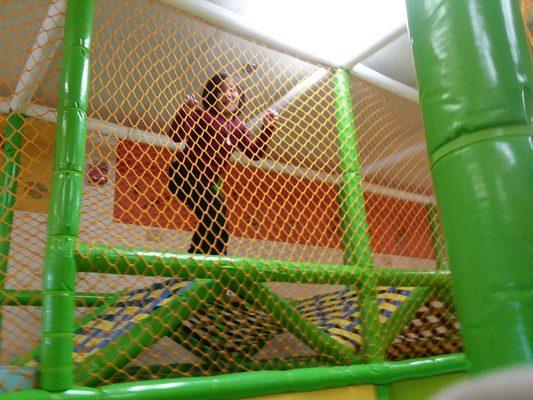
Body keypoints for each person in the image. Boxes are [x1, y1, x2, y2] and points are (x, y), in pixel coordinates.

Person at [167, 72, 279, 255]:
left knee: (214, 219)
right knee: (215, 211)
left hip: (208, 183)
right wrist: (184, 112)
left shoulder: (239, 127)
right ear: (212, 97)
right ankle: (216, 261)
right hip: (183, 173)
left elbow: (255, 153)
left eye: (234, 90)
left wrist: (267, 129)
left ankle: (197, 257)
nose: (230, 94)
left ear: (240, 96)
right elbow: (175, 135)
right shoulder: (202, 115)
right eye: (222, 91)